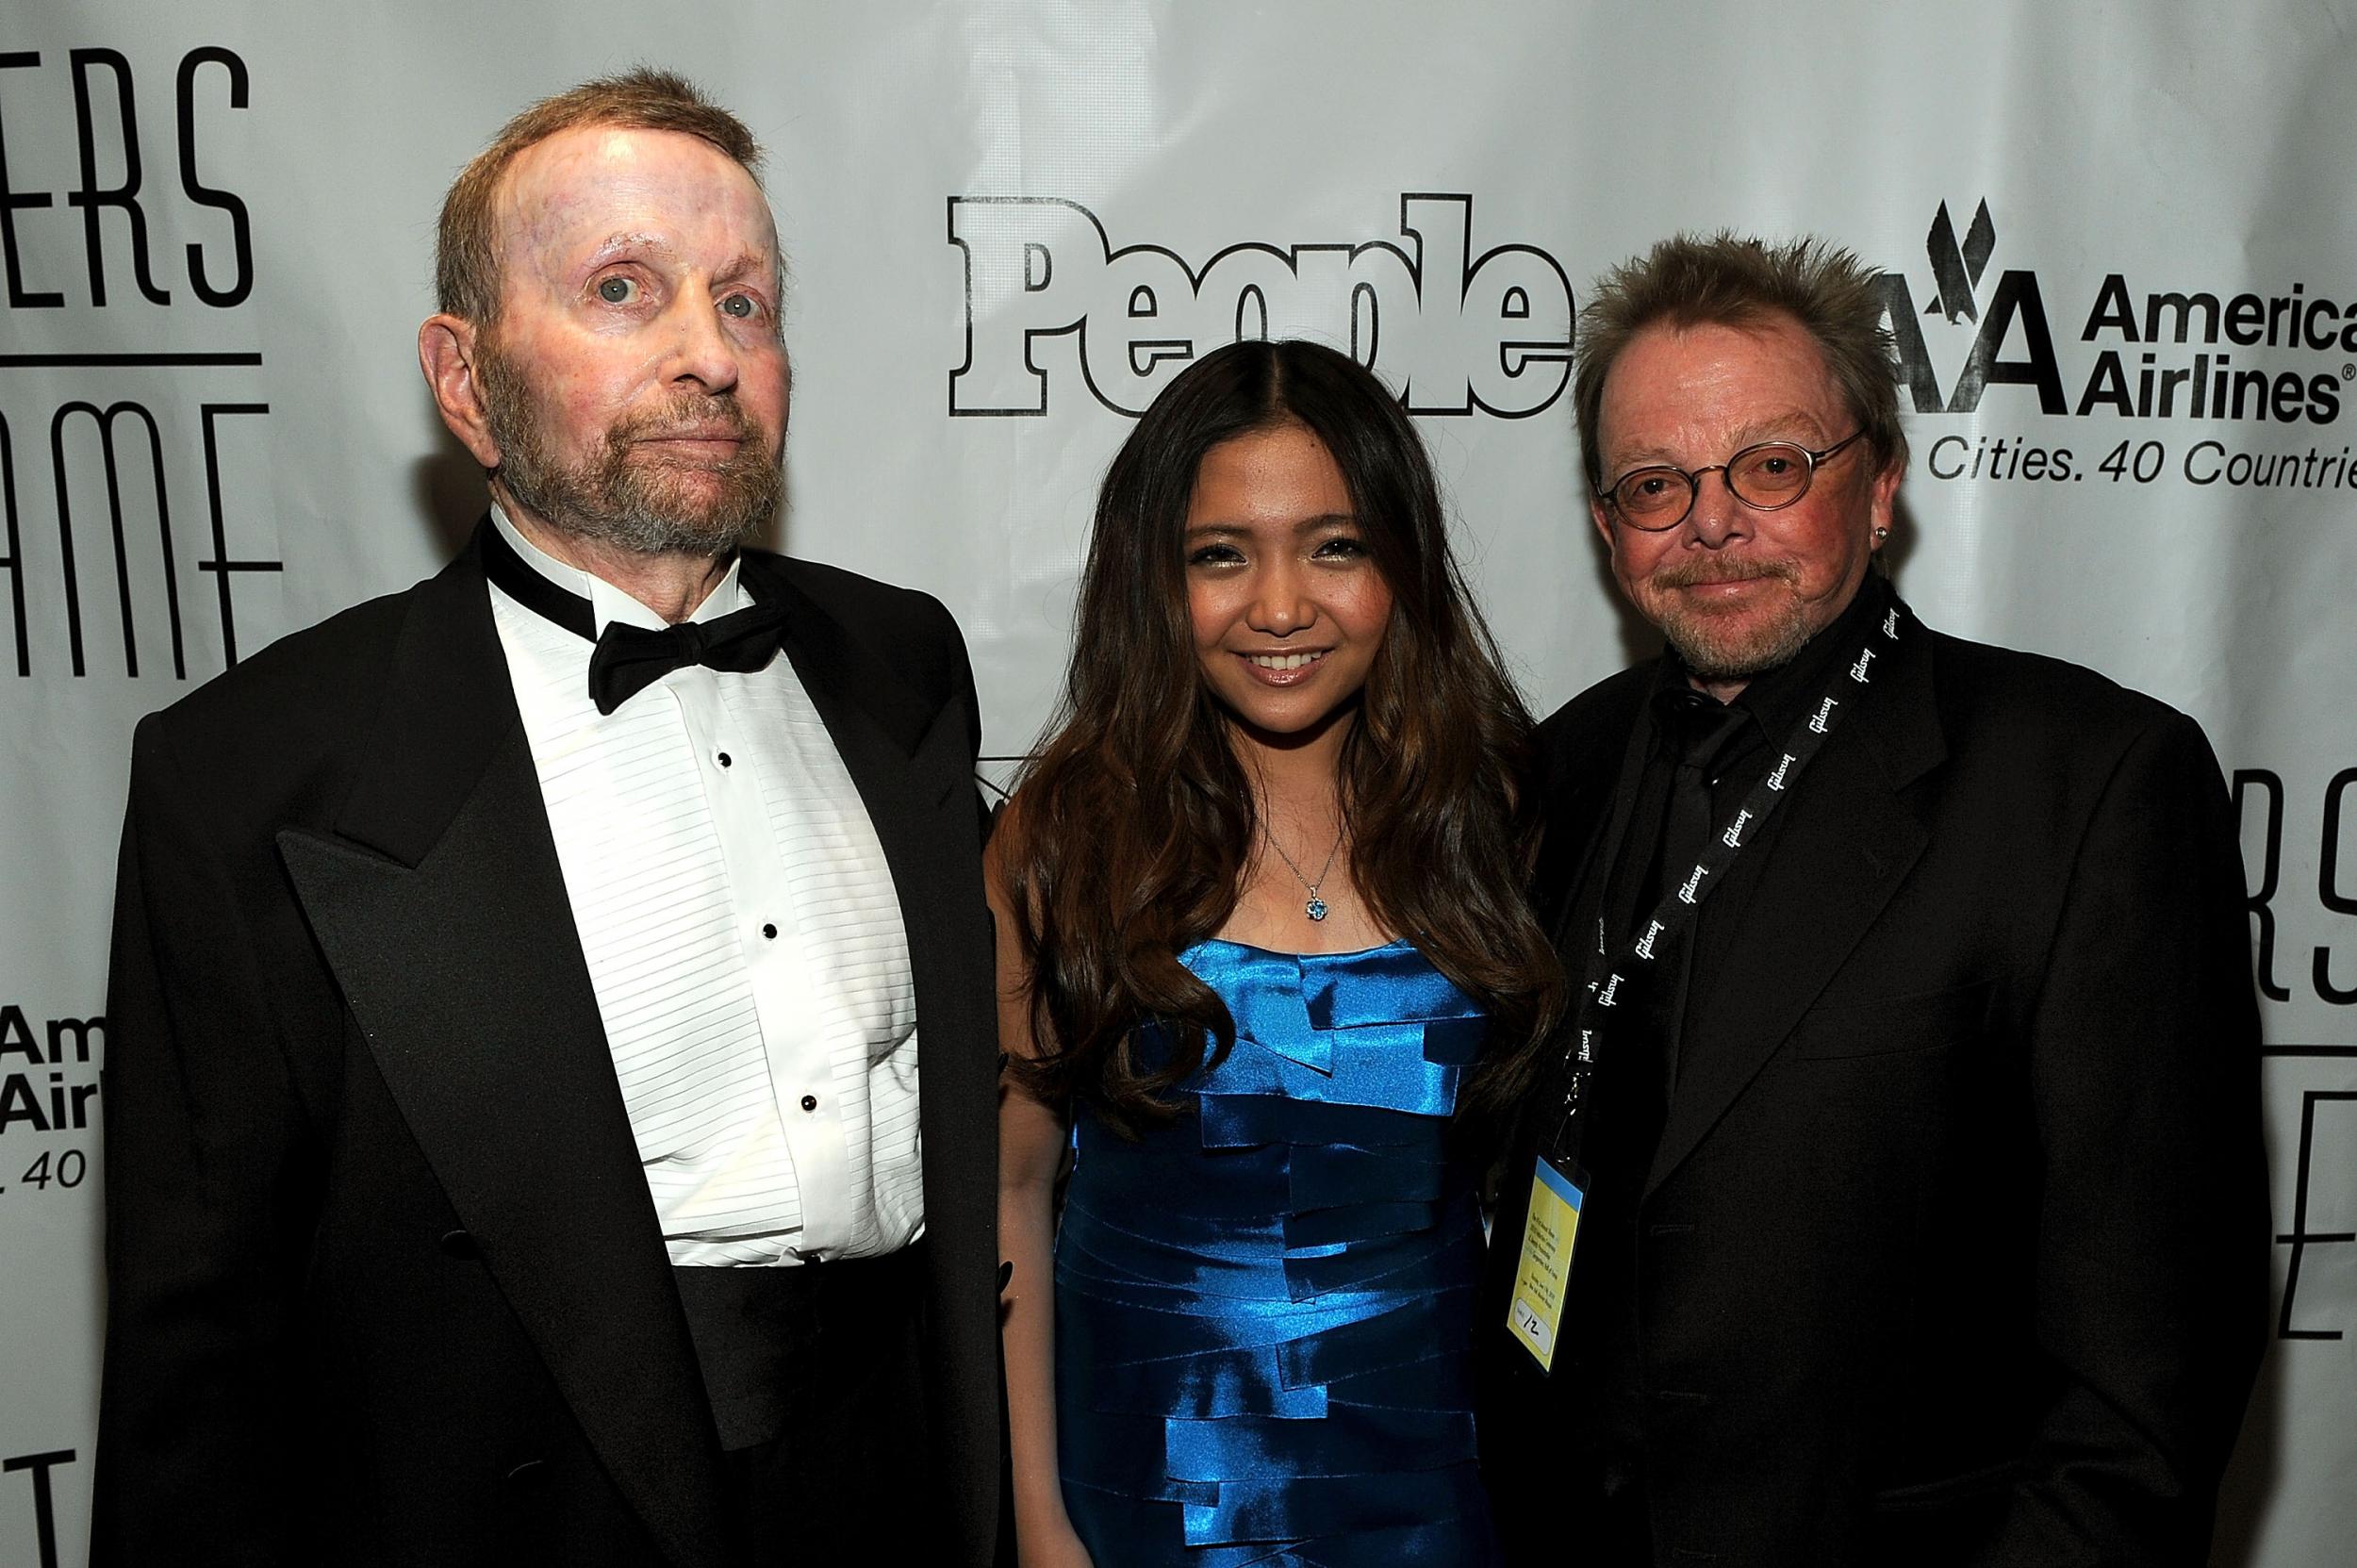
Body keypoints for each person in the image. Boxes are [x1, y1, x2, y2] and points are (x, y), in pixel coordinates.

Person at [91, 70, 998, 1566]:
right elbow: (199, 1365)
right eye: (625, 291)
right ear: (465, 381)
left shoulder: (904, 666)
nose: (709, 355)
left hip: (899, 1485)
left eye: (747, 303)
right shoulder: (256, 773)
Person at [1476, 233, 2267, 1567]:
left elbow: (2150, 1383)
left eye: (1773, 466)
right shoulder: (1562, 765)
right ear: (1609, 529)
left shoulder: (2085, 784)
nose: (1713, 522)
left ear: (1882, 479)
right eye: (1657, 484)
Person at [993, 338, 1562, 1565]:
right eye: (1221, 556)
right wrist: (1040, 1522)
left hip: (1440, 1482)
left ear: (1399, 565)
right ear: (1156, 581)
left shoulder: (1494, 809)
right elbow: (1011, 1187)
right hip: (1148, 1477)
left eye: (1334, 545)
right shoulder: (1070, 833)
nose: (1282, 606)